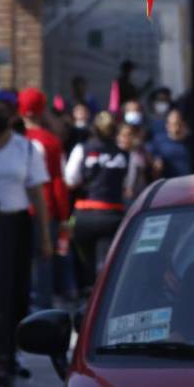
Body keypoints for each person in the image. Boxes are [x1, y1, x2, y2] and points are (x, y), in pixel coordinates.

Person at [0, 91, 52, 377]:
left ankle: (13, 353)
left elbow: (37, 193)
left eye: (5, 110)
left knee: (16, 288)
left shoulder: (26, 148)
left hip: (16, 224)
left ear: (14, 115)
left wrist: (46, 236)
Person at [65, 112, 131, 292]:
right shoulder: (124, 154)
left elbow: (70, 180)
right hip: (113, 216)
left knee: (85, 265)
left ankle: (86, 294)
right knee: (109, 266)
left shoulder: (82, 149)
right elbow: (128, 184)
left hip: (84, 216)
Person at [19, 87, 69, 312]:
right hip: (46, 208)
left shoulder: (14, 140)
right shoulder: (51, 141)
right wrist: (64, 215)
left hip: (18, 206)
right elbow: (58, 181)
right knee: (43, 261)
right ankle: (42, 310)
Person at [149, 108, 192, 179]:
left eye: (179, 124)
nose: (177, 128)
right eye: (174, 124)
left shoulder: (191, 142)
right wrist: (156, 164)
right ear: (167, 125)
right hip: (168, 185)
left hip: (188, 184)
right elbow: (151, 158)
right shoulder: (158, 142)